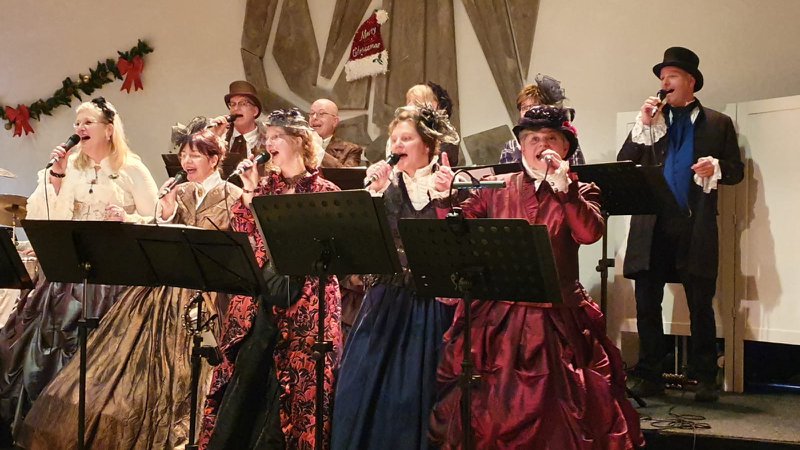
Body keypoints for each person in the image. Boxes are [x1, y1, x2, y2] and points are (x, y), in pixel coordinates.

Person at [16, 119, 242, 449]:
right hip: (166, 284)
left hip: (208, 290)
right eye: (183, 155)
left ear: (214, 158)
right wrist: (153, 215)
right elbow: (156, 229)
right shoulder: (180, 191)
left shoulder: (233, 195)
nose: (186, 162)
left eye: (194, 155)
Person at [429, 105, 643, 449]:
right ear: (521, 146)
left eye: (550, 139)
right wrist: (445, 198)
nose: (541, 145)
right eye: (532, 139)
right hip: (499, 315)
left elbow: (589, 233)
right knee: (488, 407)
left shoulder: (583, 190)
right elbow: (460, 231)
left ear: (565, 147)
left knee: (562, 407)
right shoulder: (495, 187)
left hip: (557, 313)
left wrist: (565, 190)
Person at [0, 97, 158, 436]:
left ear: (109, 130)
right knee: (43, 336)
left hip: (115, 272)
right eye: (77, 123)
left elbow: (155, 219)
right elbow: (44, 220)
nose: (79, 129)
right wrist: (57, 176)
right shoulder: (70, 166)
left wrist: (126, 218)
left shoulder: (132, 168)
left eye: (87, 123)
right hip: (70, 270)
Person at [200, 109, 342, 450]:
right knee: (248, 377)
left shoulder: (324, 191)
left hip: (306, 301)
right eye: (268, 137)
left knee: (294, 383)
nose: (269, 143)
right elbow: (245, 235)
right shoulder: (265, 188)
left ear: (299, 142)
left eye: (277, 137)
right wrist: (249, 193)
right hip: (261, 299)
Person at [619, 47, 744, 402]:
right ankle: (649, 374)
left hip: (694, 224)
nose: (664, 82)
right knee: (647, 302)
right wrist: (643, 126)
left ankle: (704, 377)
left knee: (700, 302)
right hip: (652, 225)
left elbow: (736, 171)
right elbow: (624, 164)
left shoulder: (718, 122)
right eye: (662, 77)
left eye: (671, 76)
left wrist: (715, 167)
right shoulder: (650, 122)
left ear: (690, 81)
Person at [332, 105, 460, 450]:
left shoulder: (449, 185)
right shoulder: (386, 185)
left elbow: (458, 244)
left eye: (407, 138)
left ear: (428, 145)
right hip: (386, 301)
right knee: (361, 383)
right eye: (394, 139)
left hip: (431, 306)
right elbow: (364, 243)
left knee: (416, 392)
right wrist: (375, 195)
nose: (397, 145)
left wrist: (446, 198)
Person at [498, 74, 585, 166]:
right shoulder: (511, 147)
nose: (528, 111)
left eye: (533, 106)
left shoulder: (565, 141)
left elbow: (579, 171)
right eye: (524, 108)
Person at [397, 82, 460, 166]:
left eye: (416, 101)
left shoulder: (447, 140)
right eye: (409, 101)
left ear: (435, 106)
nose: (409, 106)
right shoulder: (401, 136)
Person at [310, 98, 364, 168]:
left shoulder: (351, 150)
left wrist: (317, 149)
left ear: (335, 121)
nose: (314, 117)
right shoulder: (299, 145)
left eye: (321, 114)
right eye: (312, 113)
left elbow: (347, 173)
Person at [224, 80, 267, 157]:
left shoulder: (268, 140)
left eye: (243, 103)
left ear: (255, 111)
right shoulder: (221, 136)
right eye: (233, 104)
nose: (236, 108)